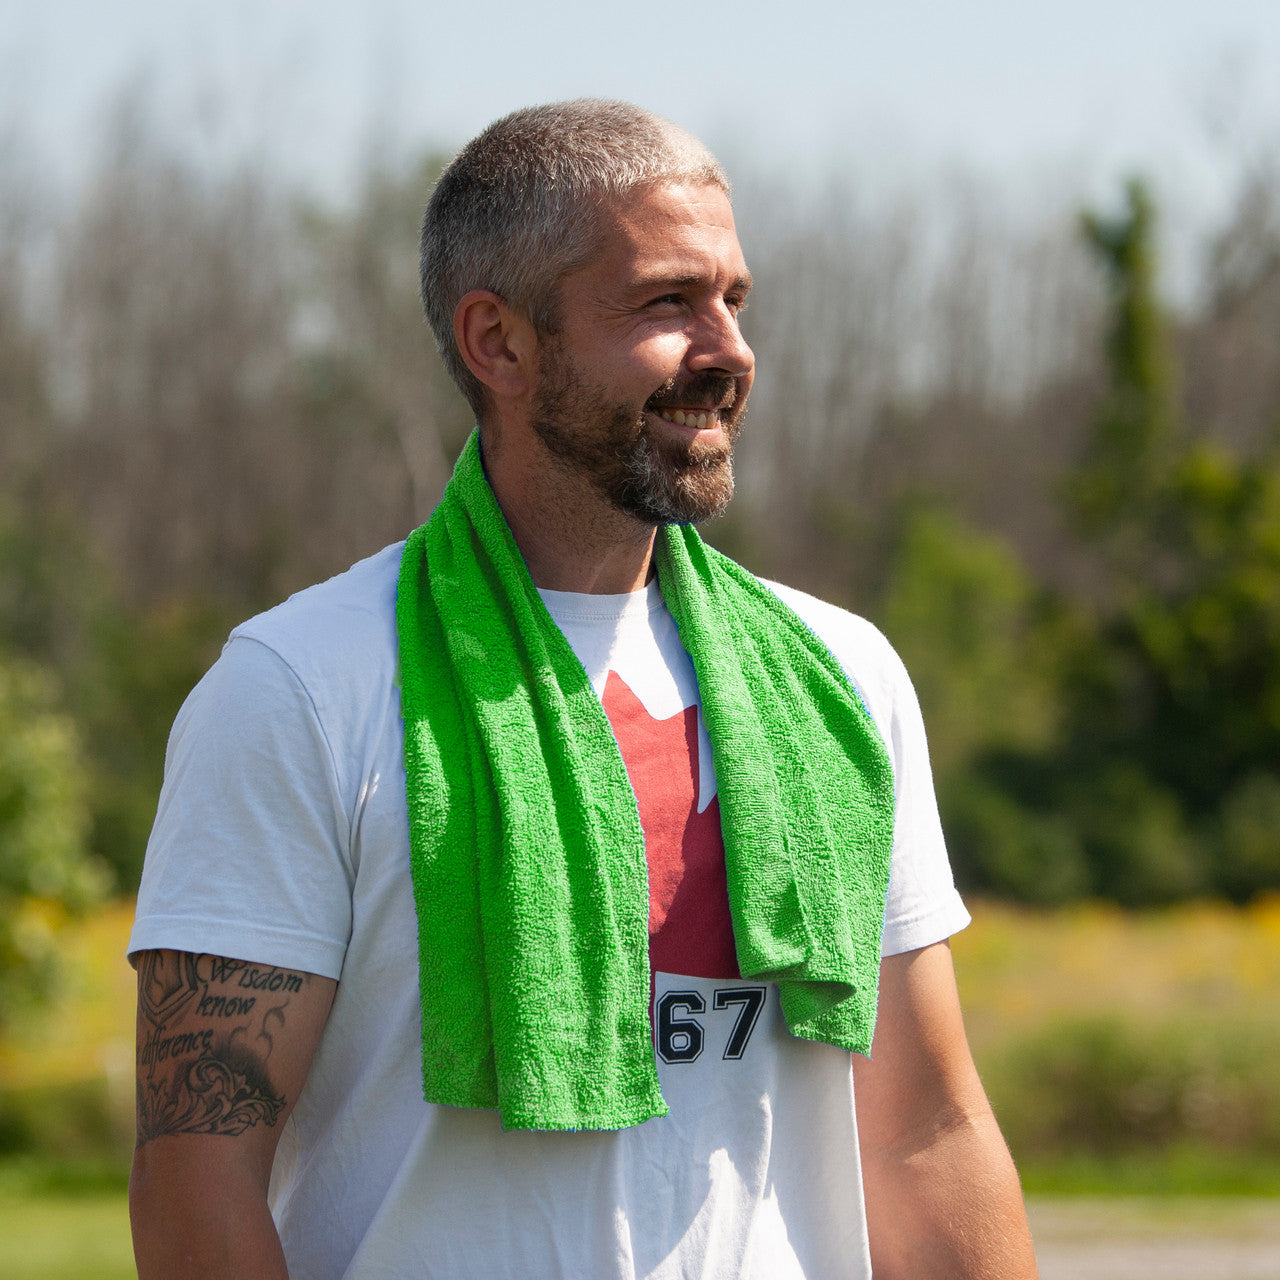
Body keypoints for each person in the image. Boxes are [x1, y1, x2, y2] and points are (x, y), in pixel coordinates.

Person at [128, 99, 1039, 1280]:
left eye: (733, 299)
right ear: (497, 343)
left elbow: (925, 1133)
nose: (727, 351)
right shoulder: (300, 685)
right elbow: (197, 1171)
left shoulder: (842, 676)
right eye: (666, 302)